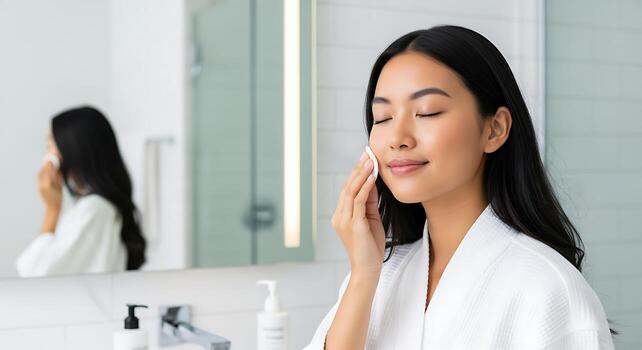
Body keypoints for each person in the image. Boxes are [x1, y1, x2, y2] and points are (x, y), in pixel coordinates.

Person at [304, 25, 616, 349]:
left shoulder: (547, 289)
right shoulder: (378, 276)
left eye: (428, 112)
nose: (397, 138)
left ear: (494, 129)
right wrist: (363, 274)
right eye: (382, 117)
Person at [16, 106, 146, 277]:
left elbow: (35, 274)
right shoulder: (94, 208)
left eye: (50, 146)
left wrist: (52, 210)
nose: (47, 156)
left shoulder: (94, 210)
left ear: (71, 149)